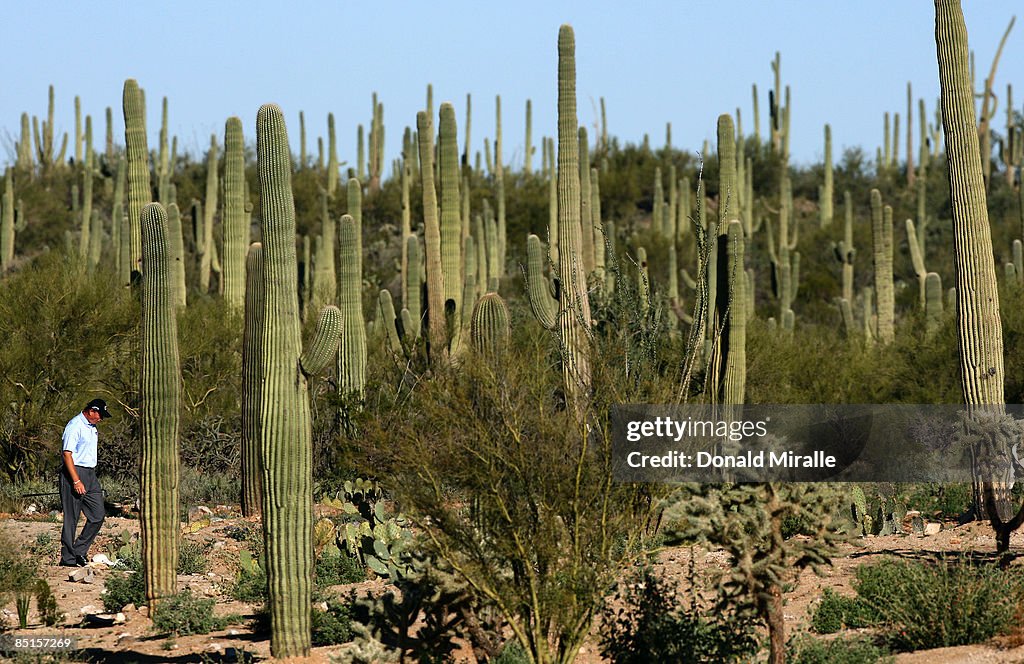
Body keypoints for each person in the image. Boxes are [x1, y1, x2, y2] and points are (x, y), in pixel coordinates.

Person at [59, 398, 112, 567]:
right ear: (91, 411)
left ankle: (79, 551)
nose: (101, 419)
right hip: (74, 472)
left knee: (97, 515)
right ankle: (68, 559)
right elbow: (67, 454)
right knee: (72, 518)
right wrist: (76, 480)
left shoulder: (92, 427)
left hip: (90, 473)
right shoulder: (75, 426)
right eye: (100, 415)